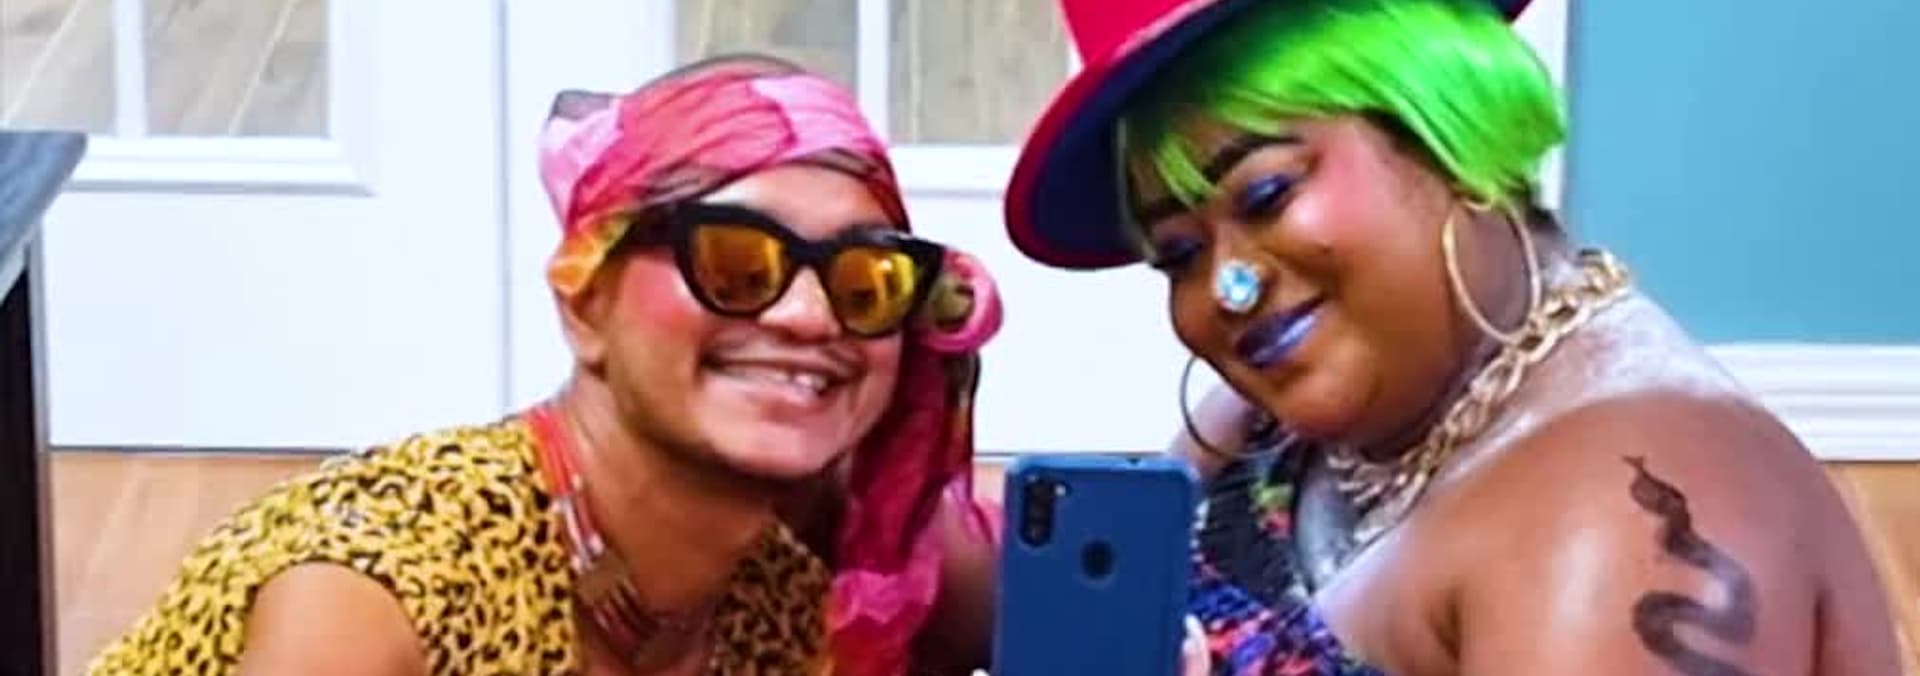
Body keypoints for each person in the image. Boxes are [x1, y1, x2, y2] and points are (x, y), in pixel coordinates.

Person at [1003, 0, 1904, 673]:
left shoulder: (1622, 524)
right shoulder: (1284, 422)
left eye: (1268, 195)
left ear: (1447, 132)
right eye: (1179, 255)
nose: (1227, 288)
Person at [88, 54, 1003, 675]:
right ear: (584, 302)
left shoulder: (784, 596)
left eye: (866, 279)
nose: (809, 316)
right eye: (732, 262)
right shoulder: (381, 588)